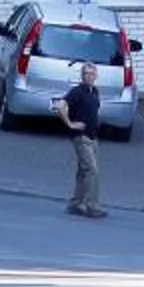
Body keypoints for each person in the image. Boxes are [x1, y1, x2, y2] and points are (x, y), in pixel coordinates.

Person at [62, 64, 108, 217]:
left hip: (92, 137)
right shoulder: (77, 92)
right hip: (81, 137)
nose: (89, 76)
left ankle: (76, 203)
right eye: (86, 73)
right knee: (93, 170)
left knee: (83, 170)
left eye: (92, 74)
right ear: (82, 76)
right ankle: (92, 205)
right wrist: (70, 123)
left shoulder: (94, 92)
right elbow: (61, 105)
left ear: (96, 76)